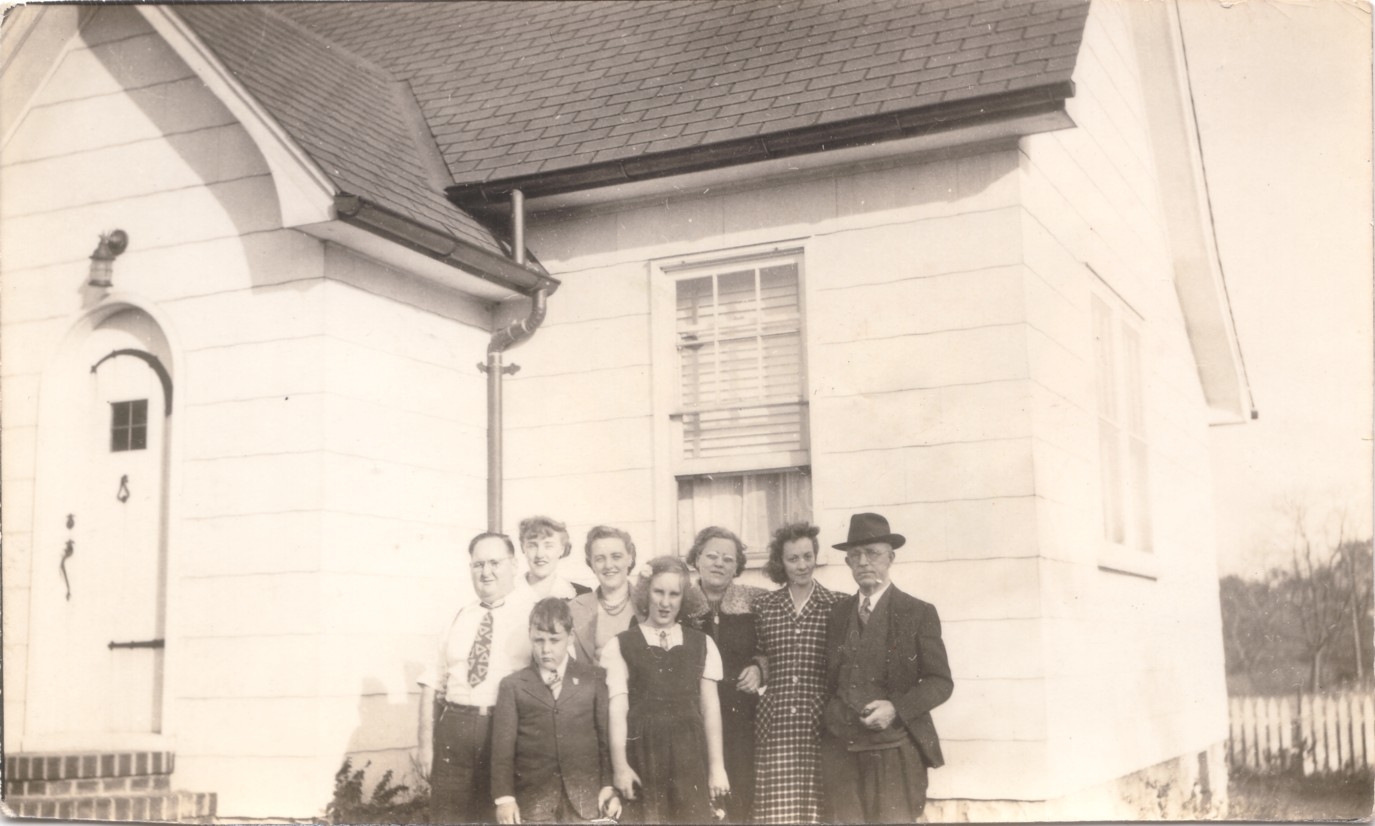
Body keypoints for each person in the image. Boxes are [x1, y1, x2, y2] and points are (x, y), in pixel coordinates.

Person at [820, 512, 953, 823]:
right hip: (842, 753)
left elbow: (940, 682)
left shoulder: (917, 612)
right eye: (855, 555)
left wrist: (896, 708)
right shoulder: (837, 614)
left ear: (890, 558)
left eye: (873, 553)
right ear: (848, 564)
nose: (864, 562)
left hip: (896, 751)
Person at [418, 532, 536, 824]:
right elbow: (432, 681)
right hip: (454, 730)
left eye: (494, 562)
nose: (486, 572)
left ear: (514, 565)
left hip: (504, 730)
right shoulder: (459, 616)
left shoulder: (532, 615)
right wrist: (424, 744)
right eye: (478, 564)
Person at [602, 556, 730, 823]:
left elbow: (711, 709)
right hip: (643, 753)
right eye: (658, 591)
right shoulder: (621, 645)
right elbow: (617, 710)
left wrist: (717, 766)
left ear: (684, 598)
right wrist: (620, 766)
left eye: (674, 594)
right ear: (645, 592)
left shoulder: (702, 644)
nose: (665, 602)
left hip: (690, 756)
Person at [491, 597, 620, 823]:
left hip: (585, 801)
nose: (546, 649)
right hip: (533, 803)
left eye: (554, 640)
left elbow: (605, 740)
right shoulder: (513, 686)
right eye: (538, 640)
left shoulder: (593, 678)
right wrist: (504, 797)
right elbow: (503, 750)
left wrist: (609, 786)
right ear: (529, 636)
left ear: (570, 637)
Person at [752, 522, 845, 824]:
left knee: (818, 805)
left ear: (816, 556)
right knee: (778, 808)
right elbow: (759, 654)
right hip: (776, 720)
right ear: (781, 561)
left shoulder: (838, 605)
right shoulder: (765, 606)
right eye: (793, 558)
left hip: (820, 719)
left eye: (807, 556)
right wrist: (757, 668)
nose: (802, 565)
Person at [683, 526, 765, 823]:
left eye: (728, 559)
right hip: (693, 717)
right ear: (697, 559)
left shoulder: (755, 603)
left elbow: (773, 647)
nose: (719, 563)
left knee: (742, 796)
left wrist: (759, 668)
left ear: (737, 567)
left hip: (742, 718)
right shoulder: (680, 603)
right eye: (712, 556)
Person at [568, 525, 641, 667]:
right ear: (592, 564)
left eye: (616, 557)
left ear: (629, 559)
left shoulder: (647, 604)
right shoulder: (574, 608)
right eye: (600, 558)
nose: (608, 565)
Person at [518, 515, 592, 599]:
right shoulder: (507, 593)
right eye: (532, 546)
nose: (540, 554)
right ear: (522, 548)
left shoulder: (582, 595)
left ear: (562, 549)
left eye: (548, 546)